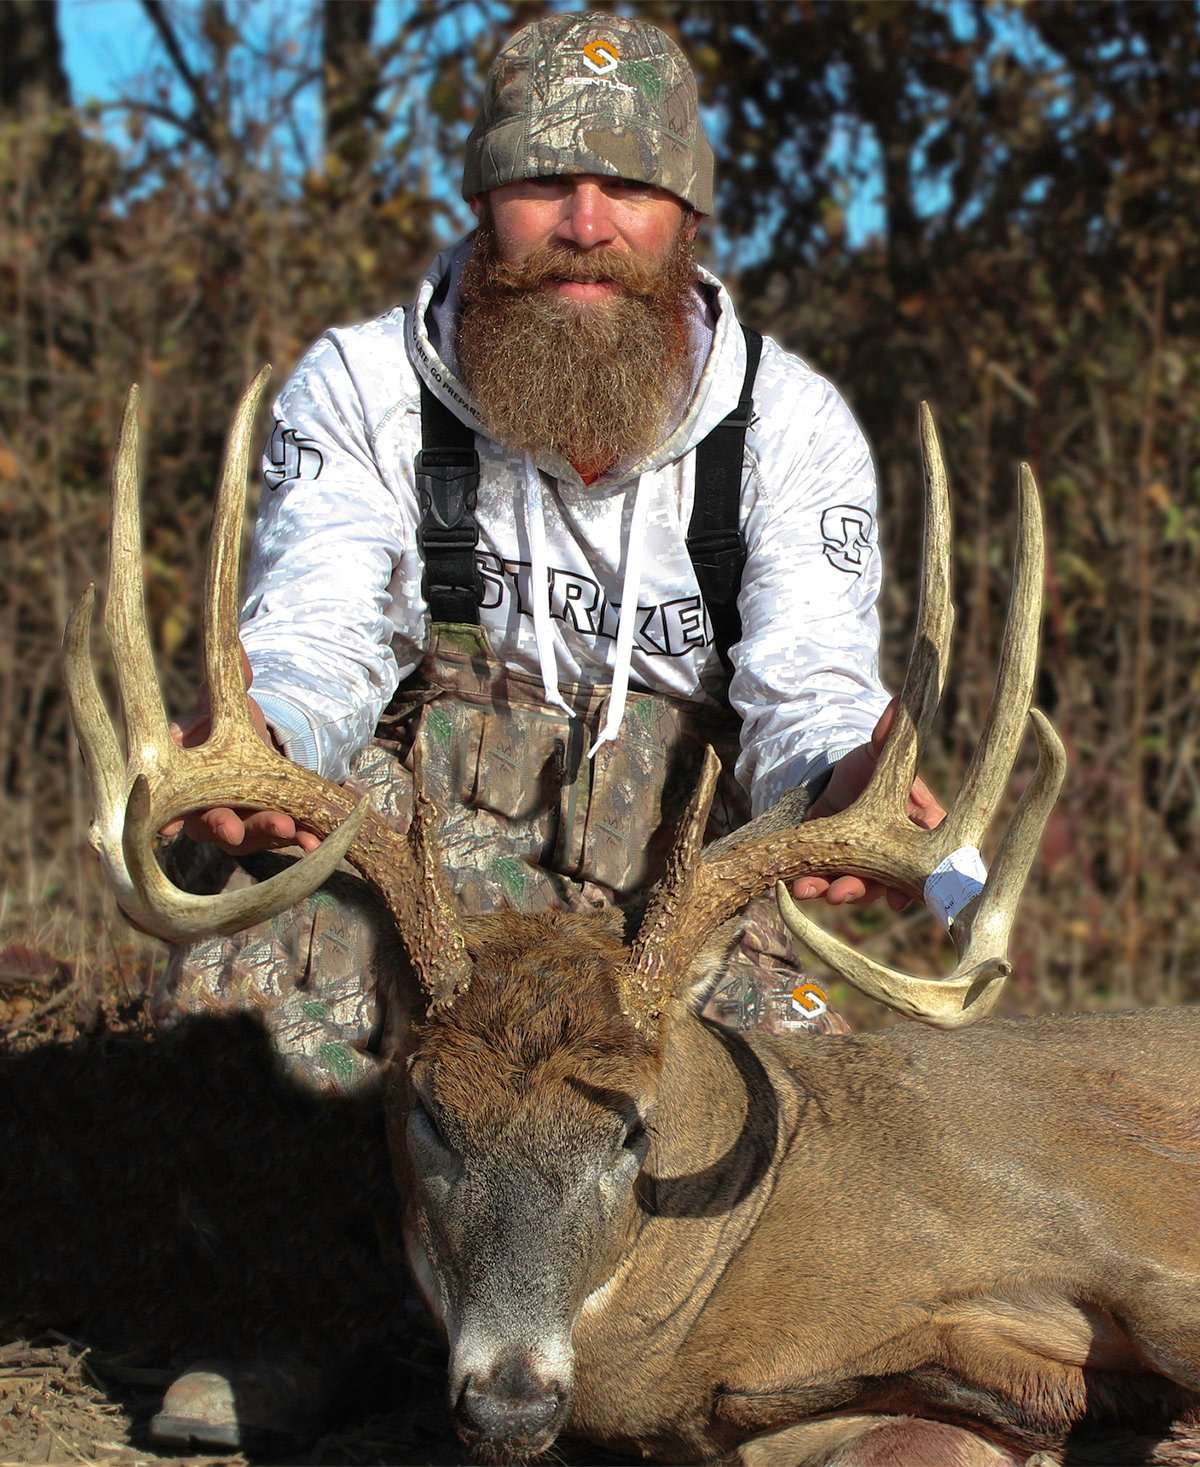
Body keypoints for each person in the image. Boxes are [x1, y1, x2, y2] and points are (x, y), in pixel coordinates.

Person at [149, 11, 943, 1451]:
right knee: (232, 966)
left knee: (833, 1084)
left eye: (631, 189)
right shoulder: (368, 391)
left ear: (687, 213)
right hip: (443, 901)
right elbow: (317, 631)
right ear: (482, 197)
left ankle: (702, 1357)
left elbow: (807, 683)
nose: (587, 224)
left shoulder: (790, 429)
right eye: (545, 183)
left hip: (670, 914)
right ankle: (318, 1328)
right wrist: (274, 736)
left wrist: (847, 770)